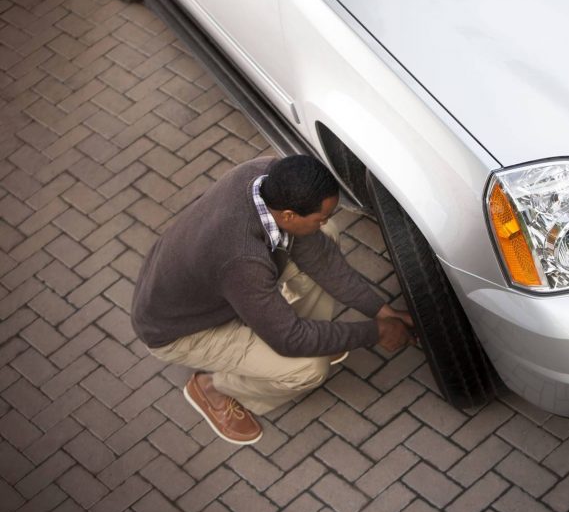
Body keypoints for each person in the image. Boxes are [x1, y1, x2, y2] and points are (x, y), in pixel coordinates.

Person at [130, 155, 414, 444]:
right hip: (179, 330)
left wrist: (382, 311)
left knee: (324, 236)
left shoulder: (264, 174)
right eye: (321, 215)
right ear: (288, 215)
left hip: (195, 284)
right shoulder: (242, 261)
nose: (326, 219)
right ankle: (212, 387)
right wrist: (375, 333)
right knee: (309, 369)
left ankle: (313, 338)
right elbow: (290, 340)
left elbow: (322, 259)